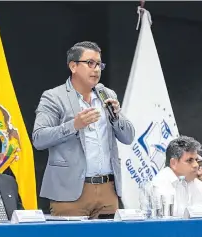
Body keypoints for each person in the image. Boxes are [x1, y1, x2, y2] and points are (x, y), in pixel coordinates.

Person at [32, 41, 135, 219]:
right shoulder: (54, 97)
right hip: (69, 192)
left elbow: (128, 137)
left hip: (107, 190)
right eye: (90, 63)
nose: (96, 69)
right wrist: (74, 125)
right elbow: (39, 138)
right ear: (73, 66)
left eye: (99, 64)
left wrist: (116, 117)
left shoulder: (107, 95)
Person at [152, 136, 202, 213]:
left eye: (196, 160)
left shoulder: (192, 181)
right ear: (173, 163)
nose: (196, 165)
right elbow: (173, 214)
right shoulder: (160, 182)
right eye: (189, 160)